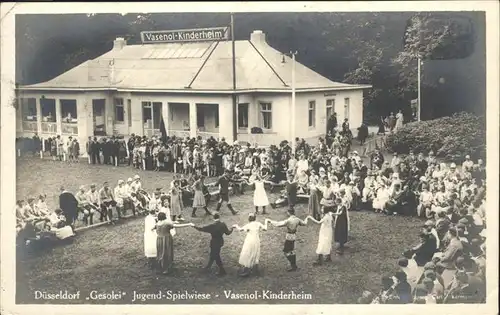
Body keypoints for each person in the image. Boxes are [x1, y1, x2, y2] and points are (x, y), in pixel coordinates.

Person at [193, 212, 235, 276]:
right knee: (213, 254)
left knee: (216, 256)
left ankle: (222, 271)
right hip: (220, 241)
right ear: (219, 216)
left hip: (214, 242)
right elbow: (228, 233)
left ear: (213, 218)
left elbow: (201, 229)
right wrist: (232, 228)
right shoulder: (223, 224)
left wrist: (193, 226)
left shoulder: (212, 226)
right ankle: (208, 267)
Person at [232, 213, 269, 277]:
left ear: (249, 218)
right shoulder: (258, 223)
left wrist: (235, 226)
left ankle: (247, 271)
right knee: (255, 253)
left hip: (249, 241)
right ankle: (255, 269)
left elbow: (240, 229)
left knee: (248, 253)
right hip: (256, 241)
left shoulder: (248, 225)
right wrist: (266, 221)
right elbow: (265, 228)